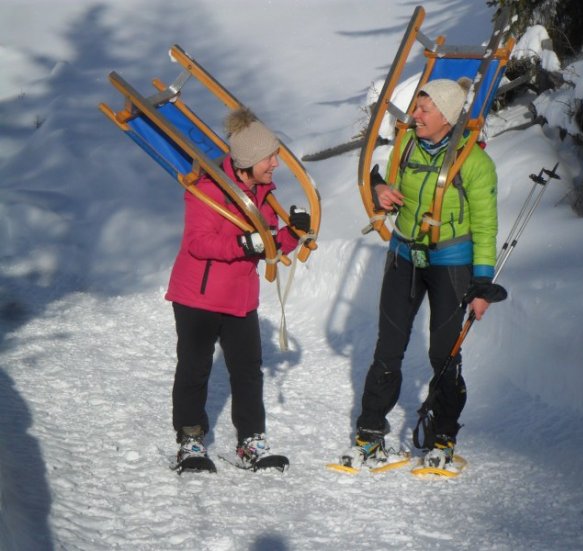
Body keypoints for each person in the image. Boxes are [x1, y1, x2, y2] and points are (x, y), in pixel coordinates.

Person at [342, 77, 507, 470]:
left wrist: (482, 283)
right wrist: (380, 188)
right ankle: (370, 436)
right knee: (388, 346)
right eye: (416, 108)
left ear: (447, 117)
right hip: (404, 255)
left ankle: (442, 439)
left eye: (424, 109)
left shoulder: (476, 163)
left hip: (451, 263)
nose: (415, 115)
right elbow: (383, 181)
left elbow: (485, 227)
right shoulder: (407, 144)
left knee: (443, 353)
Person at [165, 108, 310, 471]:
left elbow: (269, 245)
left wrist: (292, 234)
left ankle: (250, 442)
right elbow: (199, 243)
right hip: (197, 296)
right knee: (194, 369)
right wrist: (244, 245)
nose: (276, 164)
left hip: (240, 298)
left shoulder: (264, 194)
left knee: (247, 371)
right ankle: (191, 440)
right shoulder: (207, 189)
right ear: (247, 161)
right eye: (269, 158)